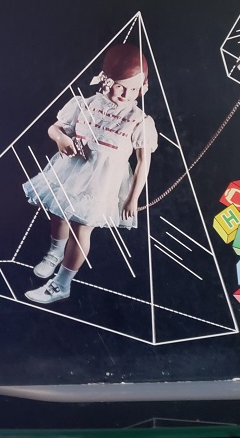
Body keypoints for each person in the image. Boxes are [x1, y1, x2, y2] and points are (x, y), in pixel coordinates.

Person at [22, 43, 158, 304]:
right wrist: (61, 139)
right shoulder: (84, 104)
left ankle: (61, 284)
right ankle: (55, 252)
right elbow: (54, 128)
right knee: (59, 214)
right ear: (106, 80)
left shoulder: (140, 121)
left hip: (103, 183)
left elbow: (143, 163)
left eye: (134, 89)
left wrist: (133, 198)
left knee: (81, 228)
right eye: (120, 86)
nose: (126, 94)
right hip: (72, 171)